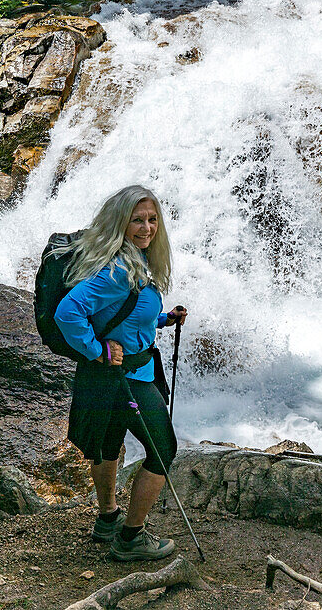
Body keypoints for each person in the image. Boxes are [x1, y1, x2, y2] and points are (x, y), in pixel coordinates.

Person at [55, 185, 188, 562]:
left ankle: (108, 518)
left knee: (109, 443)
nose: (146, 228)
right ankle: (131, 539)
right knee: (163, 451)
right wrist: (97, 351)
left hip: (112, 378)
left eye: (151, 219)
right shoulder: (118, 270)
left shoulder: (130, 261)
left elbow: (125, 315)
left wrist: (163, 319)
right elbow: (68, 313)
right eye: (137, 220)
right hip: (125, 376)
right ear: (120, 223)